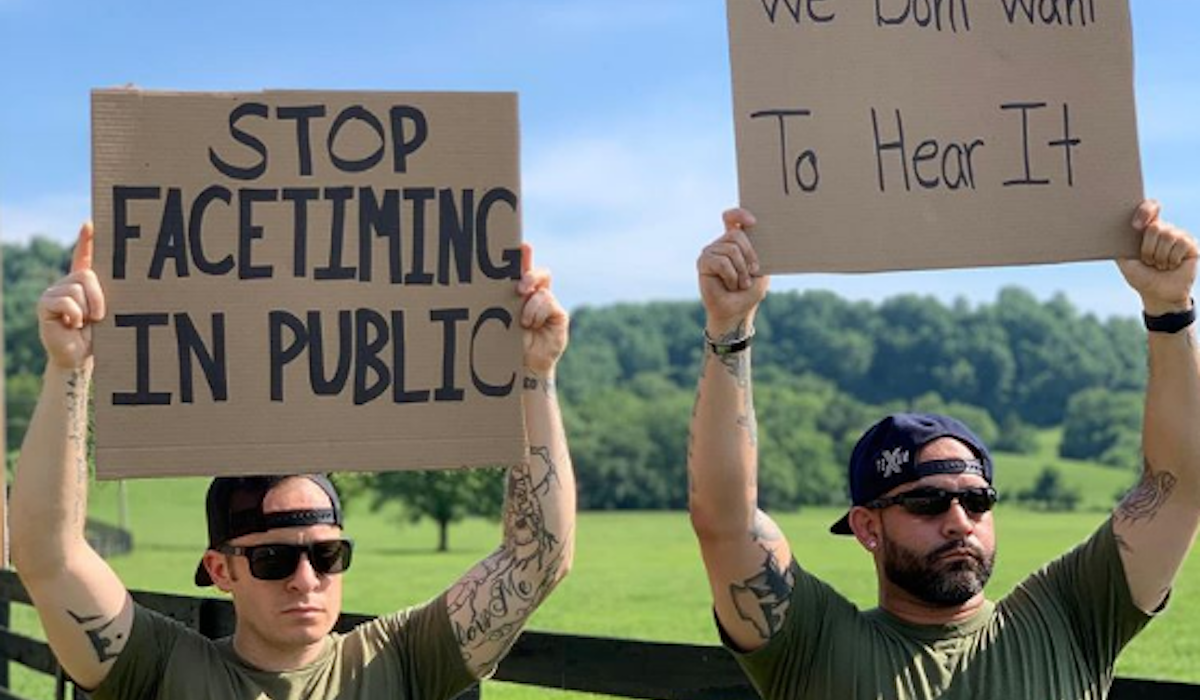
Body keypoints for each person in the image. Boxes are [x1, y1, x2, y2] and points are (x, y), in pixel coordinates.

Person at [10, 222, 575, 699]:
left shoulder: (399, 660)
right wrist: (70, 368)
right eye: (274, 559)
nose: (307, 580)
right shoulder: (158, 668)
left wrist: (534, 371)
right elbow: (48, 556)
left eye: (329, 555)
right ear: (220, 570)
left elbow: (538, 557)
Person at [688, 199, 1199, 699]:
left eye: (978, 502)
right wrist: (730, 326)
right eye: (927, 503)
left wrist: (1170, 311)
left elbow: (1178, 489)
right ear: (868, 526)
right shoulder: (811, 642)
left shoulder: (1074, 614)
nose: (959, 522)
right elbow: (726, 520)